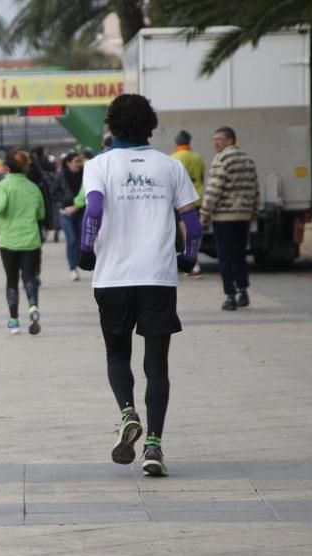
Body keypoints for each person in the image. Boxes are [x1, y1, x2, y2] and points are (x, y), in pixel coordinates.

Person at [77, 93, 202, 477]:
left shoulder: (99, 165)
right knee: (158, 365)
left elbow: (94, 209)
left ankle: (127, 413)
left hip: (113, 276)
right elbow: (193, 224)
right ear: (150, 125)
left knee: (117, 355)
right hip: (157, 276)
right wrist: (189, 256)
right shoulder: (170, 166)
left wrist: (86, 249)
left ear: (111, 126)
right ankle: (154, 447)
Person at [201, 126, 260, 311]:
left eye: (219, 139)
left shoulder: (222, 159)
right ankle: (243, 291)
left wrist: (205, 212)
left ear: (230, 140)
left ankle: (230, 296)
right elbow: (255, 188)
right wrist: (253, 211)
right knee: (240, 255)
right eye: (214, 139)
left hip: (224, 216)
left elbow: (214, 188)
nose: (215, 142)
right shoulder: (248, 160)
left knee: (225, 257)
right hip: (243, 216)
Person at [0, 150, 45, 335]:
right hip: (30, 239)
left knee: (11, 278)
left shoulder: (1, 187)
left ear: (6, 167)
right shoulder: (33, 188)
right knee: (29, 276)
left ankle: (13, 320)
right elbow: (41, 214)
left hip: (8, 239)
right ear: (26, 167)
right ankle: (33, 306)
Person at [171, 130, 205, 277]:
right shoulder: (198, 157)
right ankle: (193, 262)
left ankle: (193, 263)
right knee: (194, 229)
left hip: (182, 201)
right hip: (198, 197)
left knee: (185, 232)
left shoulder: (174, 158)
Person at [52, 151, 85, 280]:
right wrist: (64, 202)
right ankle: (72, 268)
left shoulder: (85, 175)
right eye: (76, 161)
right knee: (71, 239)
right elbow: (53, 193)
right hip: (65, 213)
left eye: (80, 161)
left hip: (81, 212)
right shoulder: (61, 176)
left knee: (80, 240)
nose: (79, 164)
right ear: (68, 163)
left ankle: (76, 261)